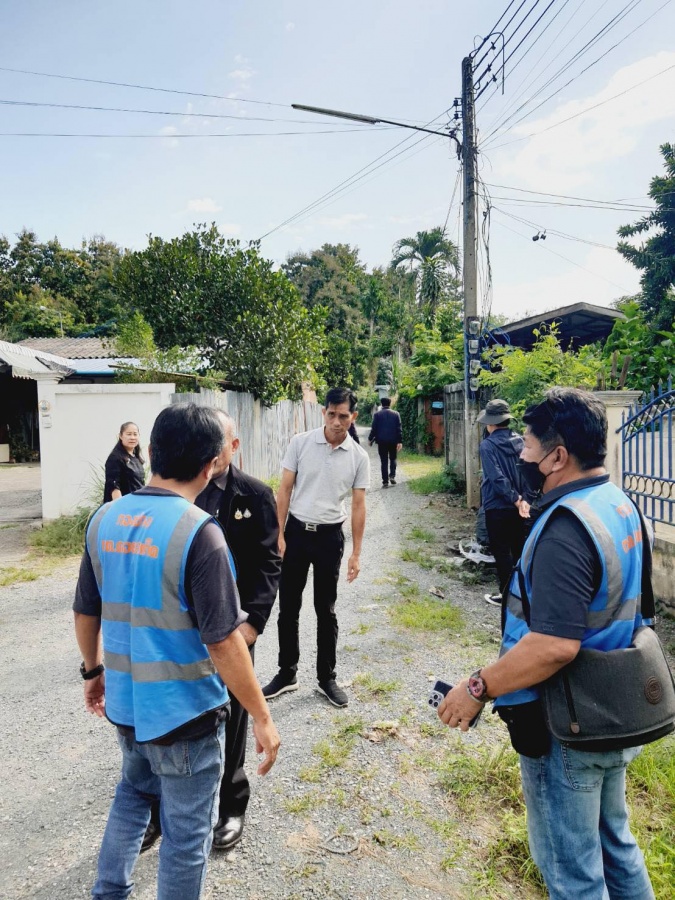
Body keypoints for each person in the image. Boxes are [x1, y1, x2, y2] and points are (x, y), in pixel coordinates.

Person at [438, 387, 655, 900]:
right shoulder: (619, 503)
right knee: (616, 847)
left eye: (529, 447)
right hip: (612, 710)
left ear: (558, 457)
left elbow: (555, 645)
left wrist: (476, 687)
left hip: (566, 725)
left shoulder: (566, 527)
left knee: (572, 872)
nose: (521, 456)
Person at [73, 403, 280, 900]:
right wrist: (262, 715)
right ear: (211, 464)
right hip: (185, 716)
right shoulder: (199, 532)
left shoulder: (104, 520)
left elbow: (85, 610)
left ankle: (109, 892)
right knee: (187, 837)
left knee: (132, 795)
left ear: (150, 451)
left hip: (128, 704)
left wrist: (93, 671)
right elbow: (223, 642)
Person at [142, 409, 282, 854]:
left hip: (231, 631)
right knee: (171, 720)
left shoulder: (254, 494)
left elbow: (268, 563)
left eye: (219, 441)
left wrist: (253, 624)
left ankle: (230, 805)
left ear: (232, 446)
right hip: (179, 632)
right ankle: (159, 810)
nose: (212, 451)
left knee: (235, 716)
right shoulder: (177, 490)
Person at [263, 387, 370, 708]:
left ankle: (326, 678)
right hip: (296, 533)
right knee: (288, 607)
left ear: (353, 417)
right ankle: (287, 672)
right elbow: (284, 489)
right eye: (331, 414)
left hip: (329, 538)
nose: (336, 422)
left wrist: (356, 553)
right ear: (324, 412)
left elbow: (359, 505)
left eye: (343, 416)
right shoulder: (301, 443)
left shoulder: (358, 457)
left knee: (326, 609)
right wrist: (279, 535)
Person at [477, 399, 532, 606]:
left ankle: (507, 596)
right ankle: (521, 594)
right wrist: (523, 499)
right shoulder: (521, 442)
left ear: (490, 423)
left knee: (501, 552)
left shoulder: (487, 445)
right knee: (519, 551)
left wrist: (514, 499)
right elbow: (528, 473)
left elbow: (496, 477)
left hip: (497, 505)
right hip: (521, 507)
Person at [103, 421, 146, 502]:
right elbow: (114, 486)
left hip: (137, 503)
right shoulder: (115, 458)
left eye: (135, 434)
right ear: (121, 436)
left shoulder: (136, 458)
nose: (132, 437)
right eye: (129, 434)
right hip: (124, 505)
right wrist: (120, 506)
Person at [368, 397, 402, 488]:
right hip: (393, 441)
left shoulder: (377, 415)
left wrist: (370, 439)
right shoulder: (396, 414)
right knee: (393, 458)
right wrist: (400, 441)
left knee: (384, 461)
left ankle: (385, 482)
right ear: (390, 404)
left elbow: (374, 428)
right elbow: (399, 428)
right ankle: (392, 476)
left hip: (381, 441)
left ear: (381, 404)